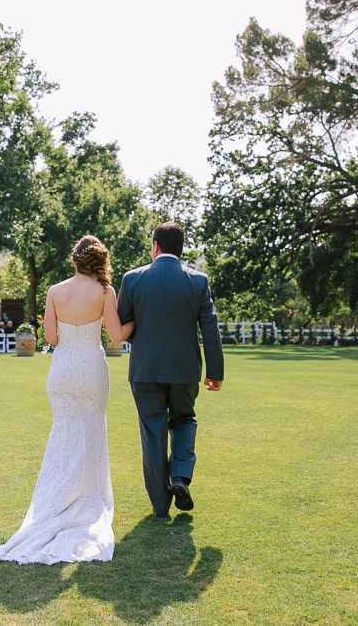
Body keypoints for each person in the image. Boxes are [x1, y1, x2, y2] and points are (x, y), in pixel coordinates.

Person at [0, 235, 134, 565]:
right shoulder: (104, 292)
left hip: (63, 369)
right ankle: (83, 504)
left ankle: (57, 504)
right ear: (99, 261)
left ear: (74, 260)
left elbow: (51, 338)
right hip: (91, 369)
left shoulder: (55, 291)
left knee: (64, 436)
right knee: (91, 434)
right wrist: (135, 320)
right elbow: (116, 335)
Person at [116, 222, 224, 518]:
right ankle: (179, 477)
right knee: (184, 420)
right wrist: (215, 371)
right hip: (185, 369)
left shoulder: (133, 279)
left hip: (145, 369)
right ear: (181, 248)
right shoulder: (198, 281)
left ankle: (161, 504)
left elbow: (122, 324)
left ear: (155, 246)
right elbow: (210, 329)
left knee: (153, 432)